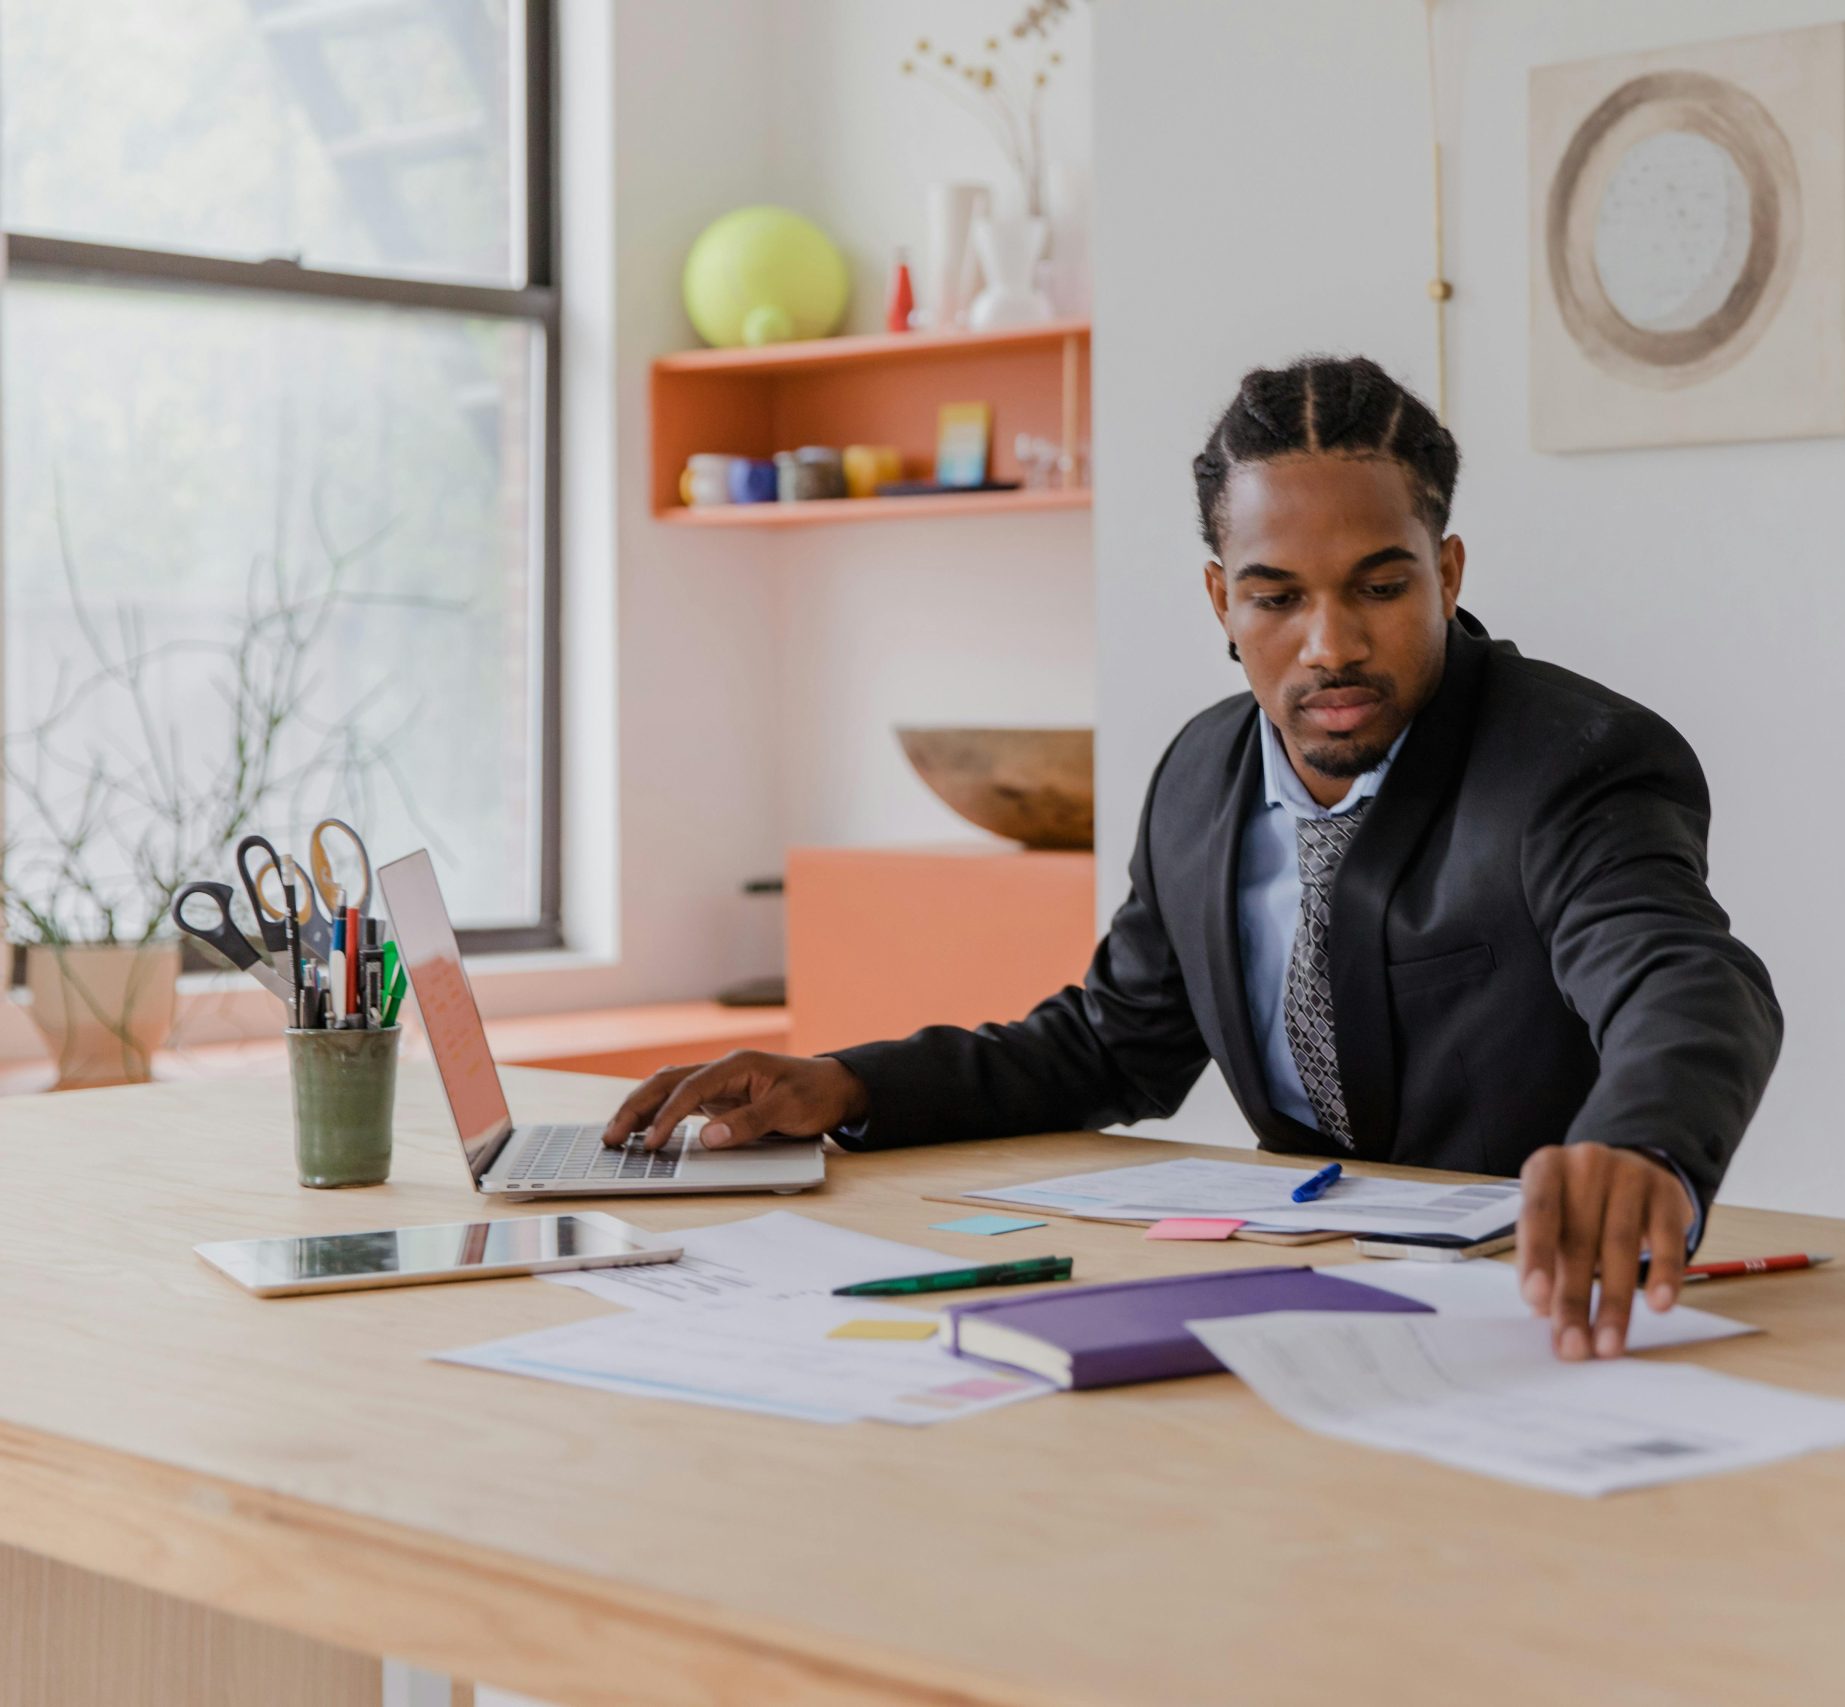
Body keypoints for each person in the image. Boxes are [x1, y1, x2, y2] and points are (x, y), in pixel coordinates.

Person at [606, 355, 1783, 1361]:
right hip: (1297, 1309)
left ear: (1449, 574)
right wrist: (848, 1086)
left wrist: (1642, 1147)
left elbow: (1684, 980)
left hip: (1527, 1311)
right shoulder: (1198, 778)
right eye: (1277, 597)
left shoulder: (1570, 761)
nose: (1332, 644)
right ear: (1223, 599)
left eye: (1381, 586)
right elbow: (1109, 1045)